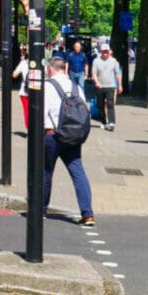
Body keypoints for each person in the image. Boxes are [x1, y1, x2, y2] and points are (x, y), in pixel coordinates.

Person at [43, 56, 95, 226]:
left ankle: (41, 210)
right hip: (73, 137)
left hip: (52, 135)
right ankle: (88, 214)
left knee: (46, 172)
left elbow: (43, 115)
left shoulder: (47, 86)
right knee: (78, 173)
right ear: (64, 69)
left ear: (50, 69)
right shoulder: (77, 87)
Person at [91, 42, 122, 131]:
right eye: (104, 52)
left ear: (109, 52)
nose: (105, 53)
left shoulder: (114, 61)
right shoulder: (96, 61)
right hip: (100, 86)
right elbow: (94, 73)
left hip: (110, 86)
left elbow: (118, 74)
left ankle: (111, 122)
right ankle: (103, 121)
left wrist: (120, 85)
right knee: (100, 105)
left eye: (107, 52)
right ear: (101, 52)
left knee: (110, 104)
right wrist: (97, 82)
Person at [12, 46, 30, 128]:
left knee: (26, 110)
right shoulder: (40, 62)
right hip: (36, 92)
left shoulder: (23, 63)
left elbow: (14, 75)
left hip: (24, 91)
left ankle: (28, 126)